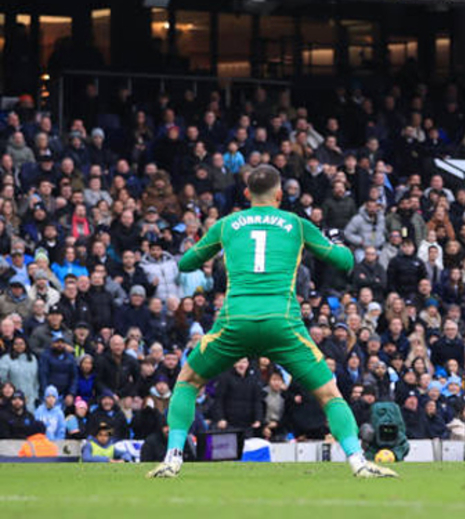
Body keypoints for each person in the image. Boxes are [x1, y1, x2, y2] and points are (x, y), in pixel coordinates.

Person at [147, 165, 395, 479]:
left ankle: (172, 459)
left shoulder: (227, 224)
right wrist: (337, 242)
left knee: (187, 382)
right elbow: (344, 262)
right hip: (283, 324)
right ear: (280, 194)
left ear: (247, 193)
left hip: (235, 323)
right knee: (330, 395)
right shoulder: (296, 223)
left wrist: (207, 245)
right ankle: (359, 463)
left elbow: (185, 263)